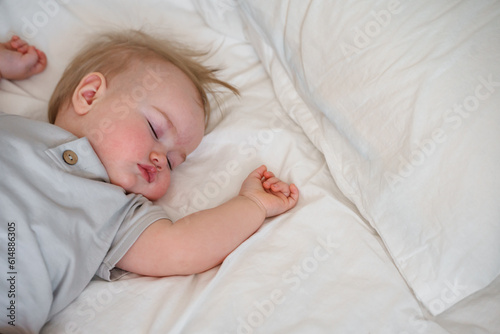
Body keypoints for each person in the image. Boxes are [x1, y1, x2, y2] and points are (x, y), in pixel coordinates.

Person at [0, 31, 299, 333]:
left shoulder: (117, 215)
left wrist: (252, 204)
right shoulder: (16, 128)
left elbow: (182, 247)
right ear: (89, 95)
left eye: (172, 162)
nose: (161, 159)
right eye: (155, 130)